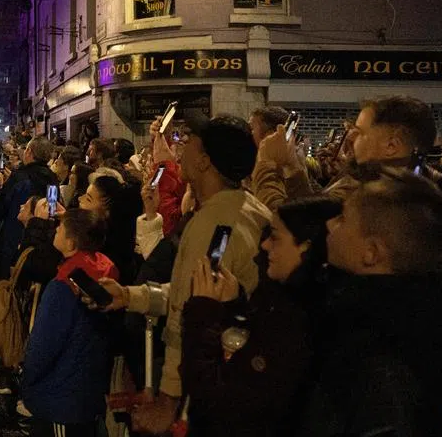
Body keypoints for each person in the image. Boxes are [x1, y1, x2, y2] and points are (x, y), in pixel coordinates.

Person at [95, 115, 270, 435]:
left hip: (207, 386)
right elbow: (193, 291)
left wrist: (168, 399)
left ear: (204, 161)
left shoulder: (216, 224)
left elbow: (191, 314)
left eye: (187, 144)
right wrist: (131, 296)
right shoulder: (245, 208)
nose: (179, 152)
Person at [297, 169, 442, 437]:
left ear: (371, 253)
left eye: (342, 218)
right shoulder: (402, 318)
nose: (330, 224)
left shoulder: (375, 354)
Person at [180, 196, 341, 437]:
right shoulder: (280, 299)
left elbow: (221, 402)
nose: (265, 246)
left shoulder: (298, 322)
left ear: (305, 247)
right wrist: (234, 304)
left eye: (275, 237)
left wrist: (203, 313)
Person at [21, 208, 119, 437]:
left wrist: (28, 380)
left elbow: (44, 345)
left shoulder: (63, 287)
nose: (55, 229)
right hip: (86, 391)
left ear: (71, 243)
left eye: (60, 227)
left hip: (61, 397)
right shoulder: (102, 274)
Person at [323, 95, 436, 202]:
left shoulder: (360, 202)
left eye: (359, 132)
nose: (350, 137)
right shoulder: (431, 194)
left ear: (391, 146)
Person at [0, 136, 59, 280]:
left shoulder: (20, 177)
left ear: (28, 151)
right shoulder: (52, 178)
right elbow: (52, 210)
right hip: (40, 241)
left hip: (12, 240)